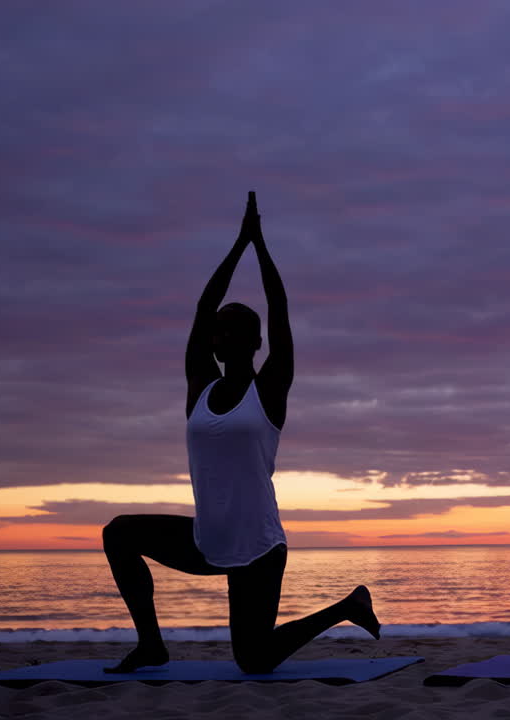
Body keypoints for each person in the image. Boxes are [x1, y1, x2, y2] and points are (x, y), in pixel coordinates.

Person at [102, 192, 380, 674]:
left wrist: (260, 245)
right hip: (207, 539)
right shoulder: (200, 385)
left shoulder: (269, 389)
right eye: (219, 331)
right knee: (119, 534)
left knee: (254, 661)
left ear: (256, 342)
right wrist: (237, 245)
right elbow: (203, 305)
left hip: (258, 546)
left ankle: (346, 607)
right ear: (212, 339)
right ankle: (152, 645)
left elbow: (279, 305)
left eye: (237, 331)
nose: (224, 336)